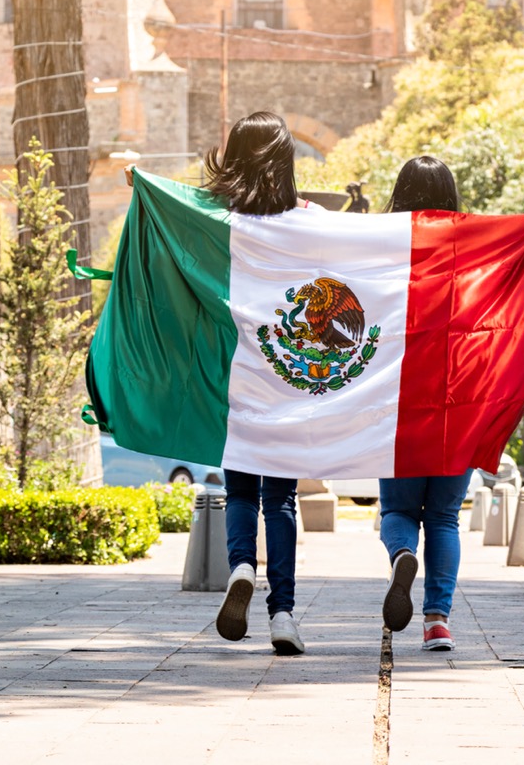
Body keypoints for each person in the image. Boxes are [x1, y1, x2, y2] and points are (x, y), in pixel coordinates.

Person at [200, 111, 317, 655]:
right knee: (283, 499)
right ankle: (283, 614)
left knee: (240, 489)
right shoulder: (309, 219)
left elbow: (172, 210)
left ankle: (242, 565)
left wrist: (141, 185)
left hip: (236, 378)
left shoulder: (214, 219)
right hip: (287, 376)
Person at [377, 155, 469, 652]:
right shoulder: (474, 249)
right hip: (459, 402)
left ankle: (402, 553)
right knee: (445, 516)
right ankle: (438, 621)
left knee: (398, 508)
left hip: (399, 401)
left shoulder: (382, 245)